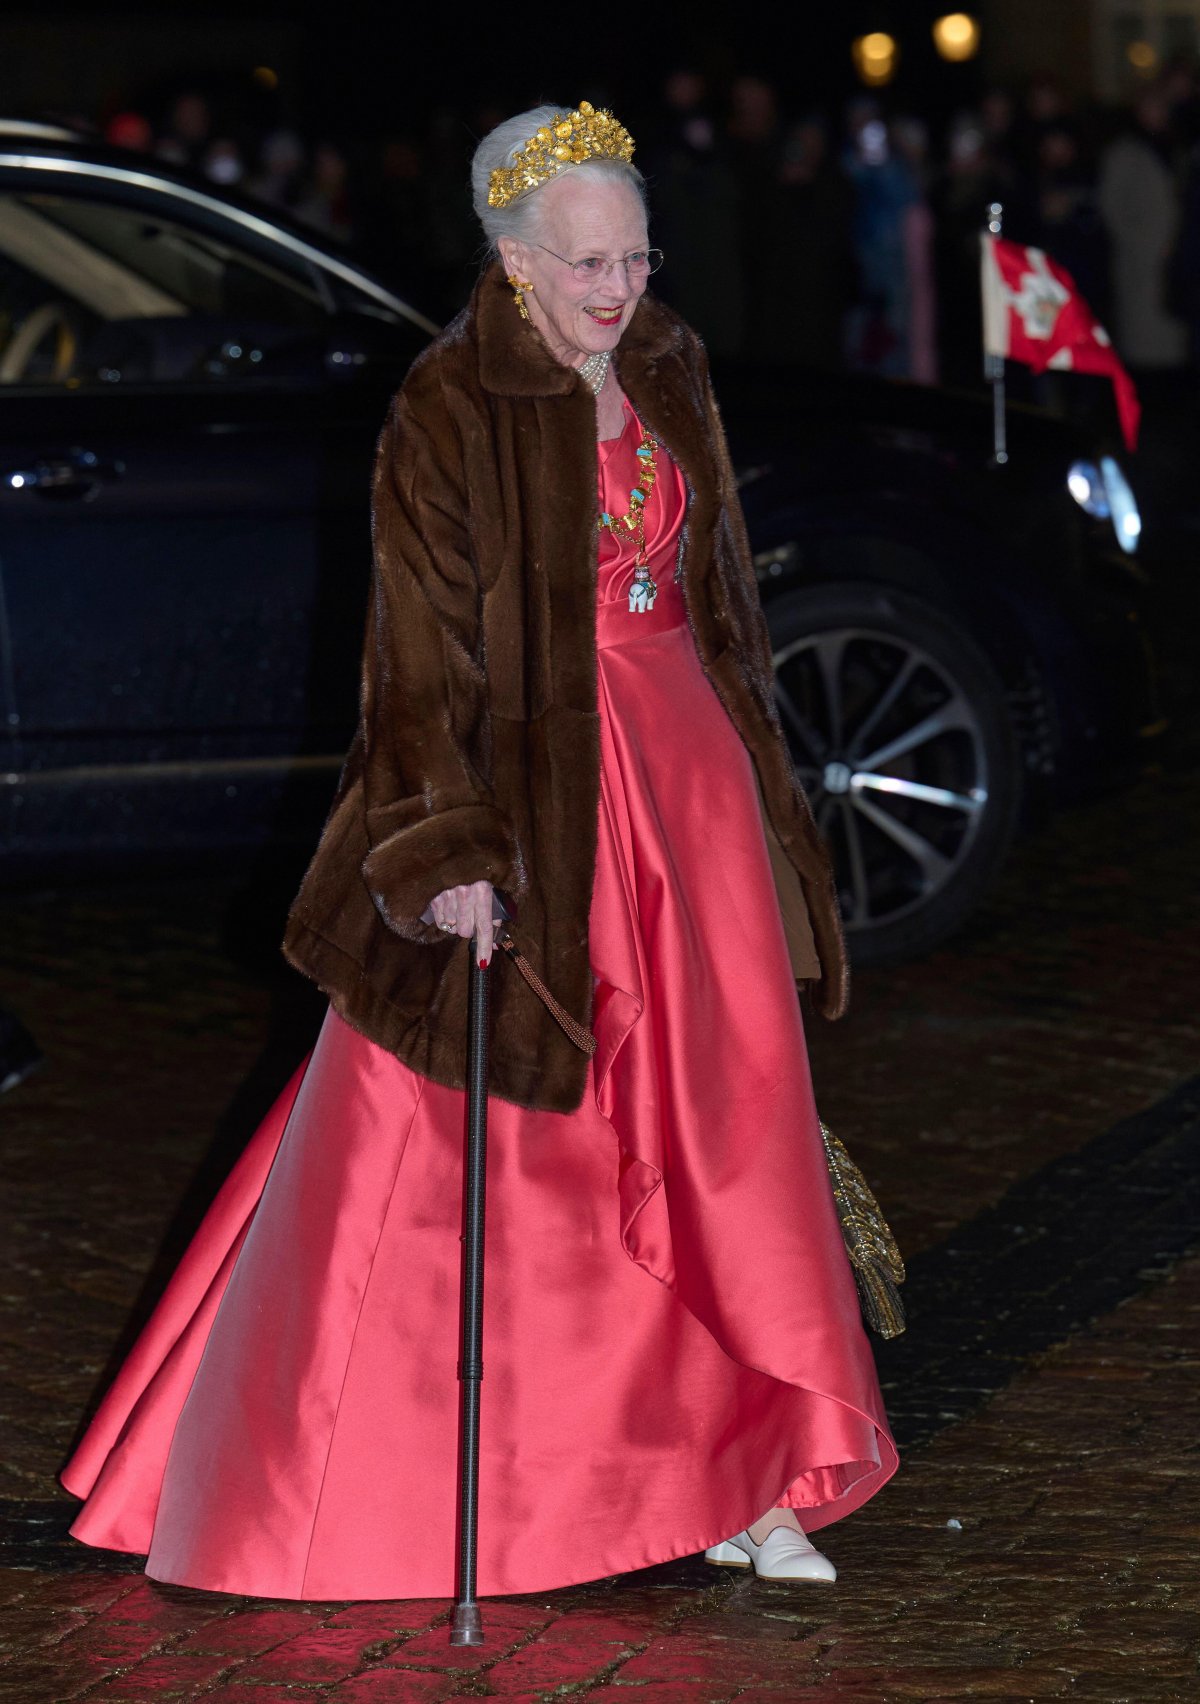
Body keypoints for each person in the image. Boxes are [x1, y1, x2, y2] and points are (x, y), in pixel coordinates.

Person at [60, 100, 898, 1599]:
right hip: (535, 802)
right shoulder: (450, 407)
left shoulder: (670, 367)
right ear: (511, 261)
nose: (617, 289)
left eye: (636, 256)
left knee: (722, 1140)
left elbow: (717, 613)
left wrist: (756, 792)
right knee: (499, 1163)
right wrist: (444, 840)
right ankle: (446, 1490)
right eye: (584, 264)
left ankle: (750, 1473)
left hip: (688, 794)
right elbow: (417, 656)